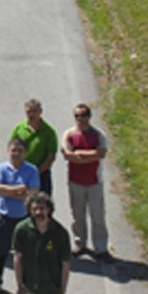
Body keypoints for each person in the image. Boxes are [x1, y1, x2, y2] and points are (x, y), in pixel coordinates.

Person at [12, 191, 72, 294]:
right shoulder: (22, 230)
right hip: (28, 289)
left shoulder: (60, 233)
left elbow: (65, 263)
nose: (39, 212)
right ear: (30, 211)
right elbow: (17, 258)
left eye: (42, 208)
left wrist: (62, 290)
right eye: (35, 209)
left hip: (52, 291)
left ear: (49, 209)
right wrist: (20, 286)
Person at [0, 137, 40, 294]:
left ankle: (26, 285)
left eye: (19, 151)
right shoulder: (1, 168)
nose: (16, 154)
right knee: (0, 251)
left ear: (24, 152)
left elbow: (33, 194)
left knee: (26, 253)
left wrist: (10, 191)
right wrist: (20, 189)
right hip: (4, 216)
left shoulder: (31, 170)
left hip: (24, 217)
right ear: (8, 151)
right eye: (13, 150)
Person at [60, 102, 112, 261]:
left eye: (83, 115)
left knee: (98, 216)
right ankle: (80, 243)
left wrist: (80, 155)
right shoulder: (69, 134)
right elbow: (68, 154)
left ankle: (101, 248)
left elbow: (101, 153)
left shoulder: (98, 135)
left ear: (89, 116)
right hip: (75, 181)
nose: (80, 119)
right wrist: (88, 156)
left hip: (94, 181)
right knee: (77, 214)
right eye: (77, 116)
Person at [9, 99, 58, 198]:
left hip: (42, 174)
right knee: (22, 203)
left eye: (34, 111)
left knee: (43, 204)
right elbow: (11, 148)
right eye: (28, 112)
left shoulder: (48, 131)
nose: (31, 114)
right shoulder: (19, 129)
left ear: (40, 112)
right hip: (22, 172)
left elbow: (51, 156)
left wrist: (36, 172)